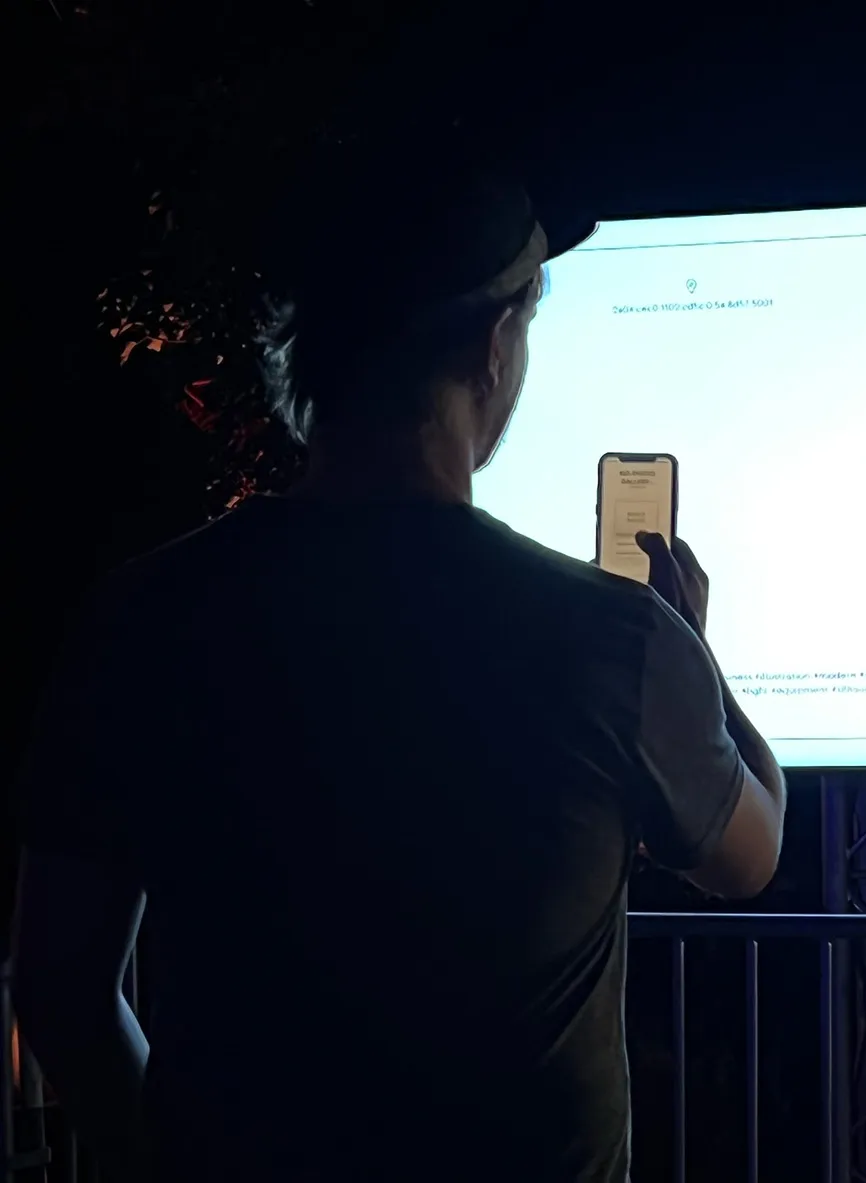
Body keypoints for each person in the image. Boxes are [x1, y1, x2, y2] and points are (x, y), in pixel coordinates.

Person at [10, 142, 786, 1183]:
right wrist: (695, 653)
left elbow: (60, 984)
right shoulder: (615, 639)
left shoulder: (141, 618)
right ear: (496, 344)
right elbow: (749, 855)